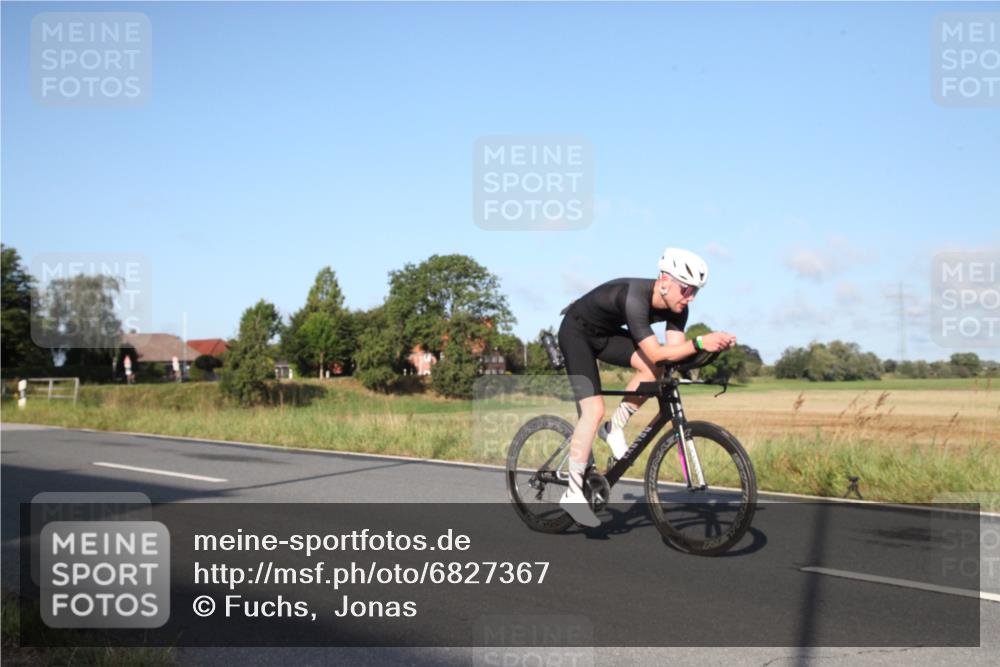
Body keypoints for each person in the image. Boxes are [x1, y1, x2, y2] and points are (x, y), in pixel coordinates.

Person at [556, 248, 737, 526]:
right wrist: (701, 342)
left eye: (695, 292)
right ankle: (572, 493)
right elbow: (656, 352)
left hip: (606, 335)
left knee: (656, 369)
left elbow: (673, 355)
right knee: (593, 411)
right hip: (576, 332)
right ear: (664, 280)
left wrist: (711, 350)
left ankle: (614, 427)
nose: (690, 297)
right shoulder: (635, 297)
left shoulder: (679, 308)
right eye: (686, 289)